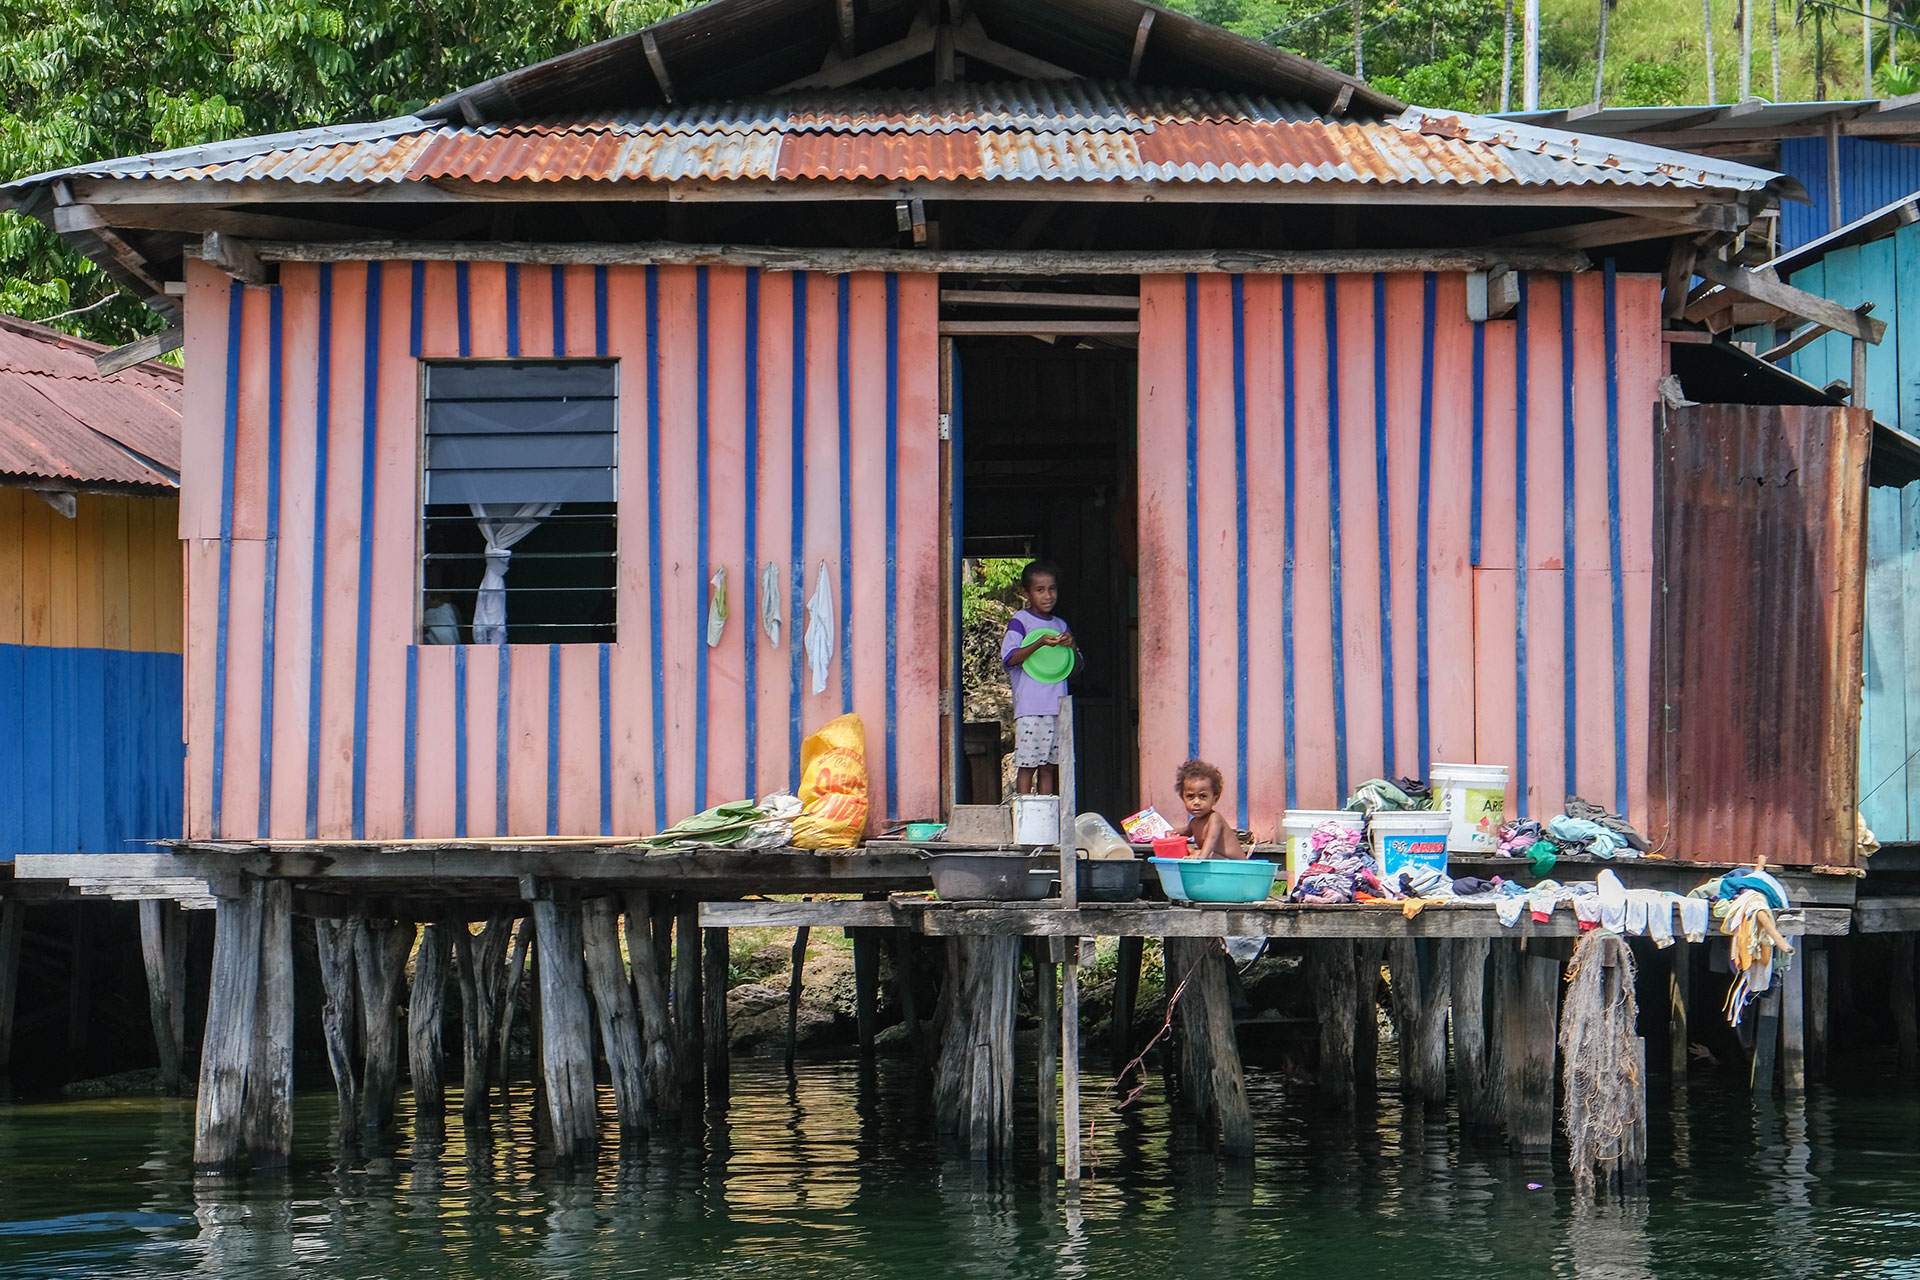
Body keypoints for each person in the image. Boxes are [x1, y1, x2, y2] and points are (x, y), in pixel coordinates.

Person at [1000, 559, 1076, 796]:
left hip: (1057, 706)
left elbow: (1073, 665)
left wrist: (1072, 645)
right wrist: (1039, 642)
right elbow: (1010, 658)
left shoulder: (1060, 624)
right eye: (1040, 590)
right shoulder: (1020, 621)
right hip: (1031, 708)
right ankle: (1024, 819)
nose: (1047, 596)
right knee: (1027, 765)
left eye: (1052, 589)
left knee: (1049, 767)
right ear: (1026, 593)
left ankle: (1047, 820)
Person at [1176, 759, 1244, 859]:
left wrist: (1201, 856)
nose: (1196, 802)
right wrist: (1173, 833)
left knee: (1198, 853)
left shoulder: (1214, 819)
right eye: (1190, 796)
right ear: (1183, 798)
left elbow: (1211, 840)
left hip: (1235, 864)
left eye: (1202, 796)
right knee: (1188, 851)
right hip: (1217, 861)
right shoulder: (1194, 822)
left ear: (1214, 799)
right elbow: (1184, 832)